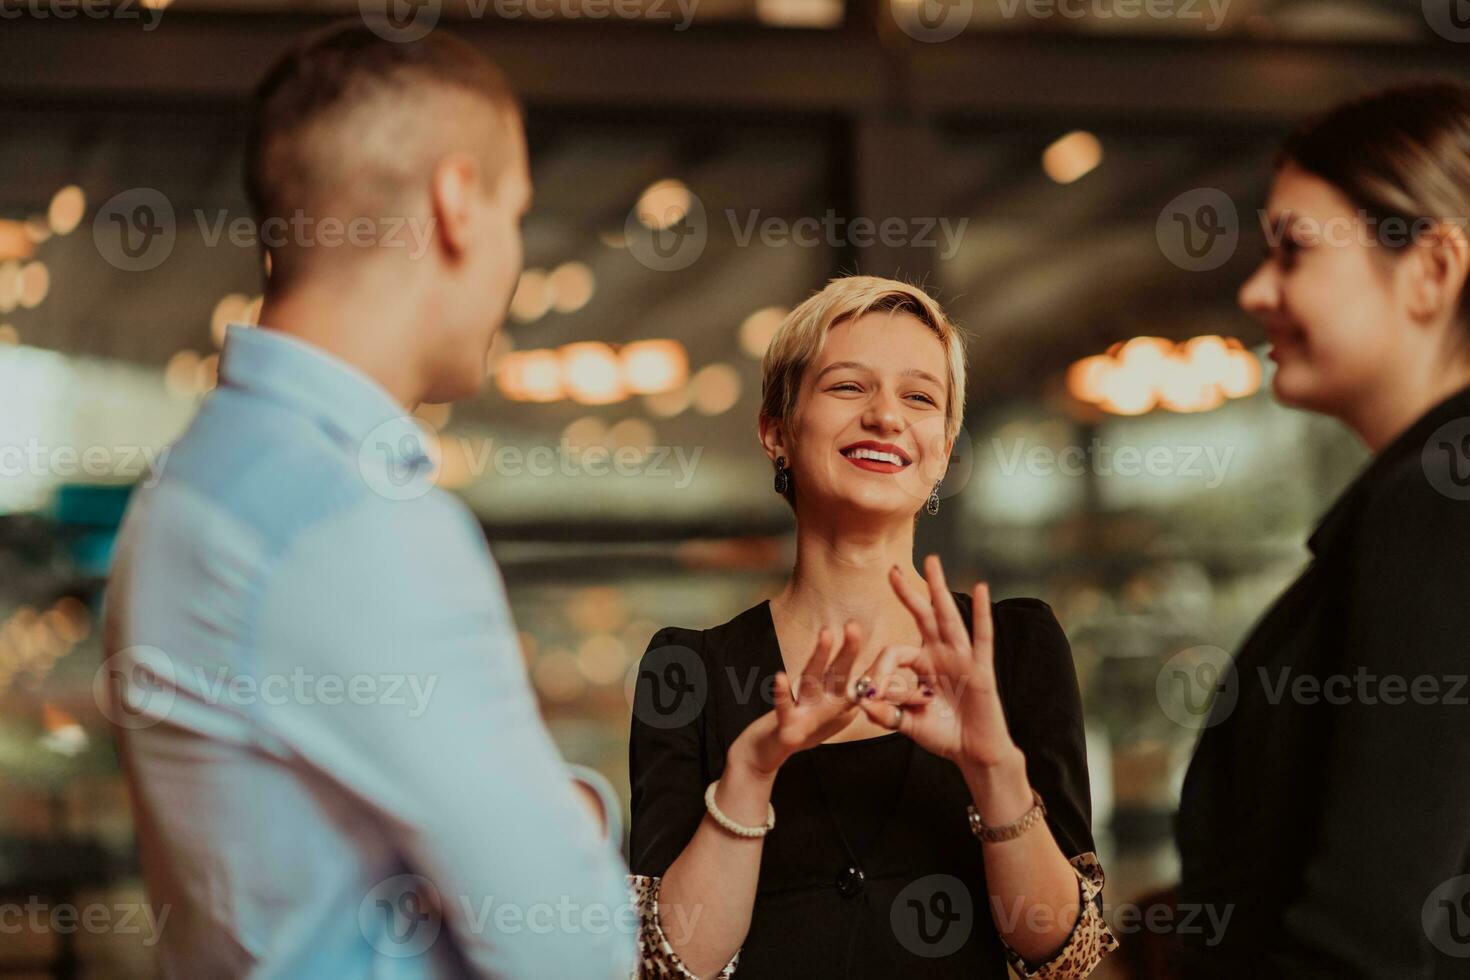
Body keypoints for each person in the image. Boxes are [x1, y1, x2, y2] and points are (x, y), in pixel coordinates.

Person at [102, 23, 636, 978]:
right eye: (517, 212)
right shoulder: (356, 522)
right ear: (457, 202)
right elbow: (574, 951)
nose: (512, 264)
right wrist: (575, 820)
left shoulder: (190, 483)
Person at [626, 276, 1118, 978]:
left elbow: (1062, 952)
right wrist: (752, 771)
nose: (887, 417)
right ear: (776, 431)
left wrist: (991, 769)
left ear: (943, 451)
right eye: (848, 387)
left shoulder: (1013, 650)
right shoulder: (688, 672)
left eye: (919, 398)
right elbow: (674, 966)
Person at [1176, 81, 1470, 978]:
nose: (1258, 288)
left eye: (1294, 250)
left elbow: (1362, 942)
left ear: (1432, 269)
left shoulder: (1435, 504)